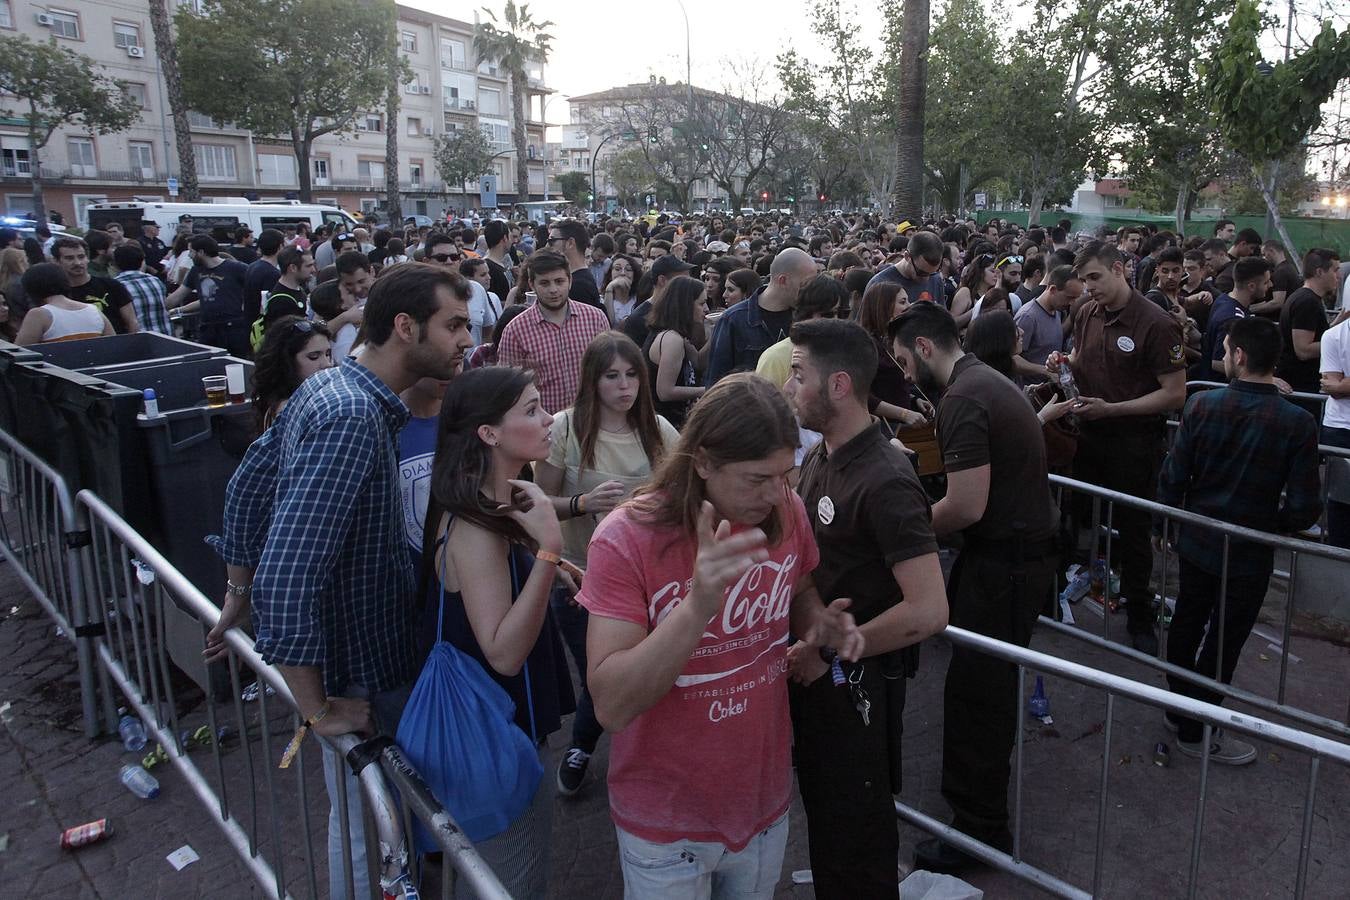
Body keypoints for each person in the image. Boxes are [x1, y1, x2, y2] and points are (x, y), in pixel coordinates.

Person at [212, 263, 474, 900]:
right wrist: (316, 705)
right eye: (456, 325)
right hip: (356, 665)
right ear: (405, 327)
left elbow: (248, 488)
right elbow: (289, 570)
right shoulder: (353, 415)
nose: (468, 339)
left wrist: (235, 595)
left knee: (366, 819)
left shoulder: (334, 388)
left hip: (360, 658)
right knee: (366, 828)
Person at [578, 374, 862, 899]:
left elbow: (797, 589)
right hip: (665, 821)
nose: (775, 493)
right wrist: (700, 605)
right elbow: (612, 706)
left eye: (785, 475)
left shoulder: (786, 510)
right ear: (703, 461)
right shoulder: (626, 538)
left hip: (761, 802)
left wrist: (818, 624)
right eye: (757, 479)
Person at [890, 302, 1059, 872]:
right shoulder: (985, 381)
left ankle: (978, 832)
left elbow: (964, 505)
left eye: (903, 361)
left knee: (978, 697)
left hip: (1004, 565)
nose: (904, 374)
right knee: (981, 689)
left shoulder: (964, 396)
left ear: (925, 348)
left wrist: (899, 538)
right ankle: (979, 818)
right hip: (1011, 558)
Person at [784, 318, 948, 896]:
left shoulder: (885, 477)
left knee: (858, 840)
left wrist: (827, 648)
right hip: (822, 678)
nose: (788, 387)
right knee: (831, 830)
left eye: (798, 375)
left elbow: (928, 611)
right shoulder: (824, 456)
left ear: (839, 386)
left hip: (858, 688)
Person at [420, 366, 577, 897]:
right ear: (489, 434)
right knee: (513, 878)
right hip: (498, 725)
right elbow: (505, 653)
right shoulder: (475, 527)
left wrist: (551, 563)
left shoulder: (498, 501)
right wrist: (551, 551)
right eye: (531, 410)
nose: (549, 417)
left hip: (503, 721)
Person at [1159, 317, 1320, 763]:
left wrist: (1168, 525)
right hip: (1248, 550)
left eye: (1226, 349)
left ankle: (1181, 707)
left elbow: (1174, 475)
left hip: (1198, 541)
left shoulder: (1203, 406)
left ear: (1240, 357)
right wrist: (1273, 523)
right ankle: (1194, 726)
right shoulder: (1296, 422)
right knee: (1223, 639)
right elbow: (1307, 507)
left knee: (1189, 620)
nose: (1224, 356)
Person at [535, 332, 680, 796]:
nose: (624, 386)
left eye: (633, 374)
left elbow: (683, 499)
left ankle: (637, 754)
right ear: (591, 381)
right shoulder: (565, 428)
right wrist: (581, 503)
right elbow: (541, 503)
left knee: (648, 670)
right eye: (612, 376)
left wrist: (643, 506)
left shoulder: (660, 429)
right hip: (579, 575)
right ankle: (582, 745)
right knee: (600, 675)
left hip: (650, 578)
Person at [1049, 240, 1186, 654]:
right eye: (1083, 279)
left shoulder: (1157, 324)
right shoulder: (1086, 312)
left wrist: (1114, 409)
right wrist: (1065, 364)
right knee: (1071, 515)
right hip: (1085, 436)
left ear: (1120, 270)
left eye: (1095, 277)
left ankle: (1139, 614)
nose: (1088, 287)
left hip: (1134, 445)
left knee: (1134, 531)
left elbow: (1175, 393)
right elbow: (1080, 356)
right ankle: (1061, 594)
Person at [498, 251, 610, 414]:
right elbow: (509, 388)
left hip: (592, 418)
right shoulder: (515, 330)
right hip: (544, 426)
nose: (553, 289)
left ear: (570, 281)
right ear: (532, 284)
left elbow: (609, 368)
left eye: (559, 281)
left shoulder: (595, 318)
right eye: (544, 283)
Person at [706, 247, 816, 384]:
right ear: (783, 280)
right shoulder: (733, 320)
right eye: (805, 284)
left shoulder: (806, 317)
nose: (811, 291)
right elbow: (716, 383)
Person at [166, 235, 251, 356]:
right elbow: (178, 296)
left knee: (237, 362)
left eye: (191, 251)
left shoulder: (236, 268)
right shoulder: (195, 271)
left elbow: (255, 290)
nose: (189, 255)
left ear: (201, 252)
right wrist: (161, 307)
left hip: (234, 328)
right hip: (207, 328)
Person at [644, 275, 707, 429]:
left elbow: (698, 362)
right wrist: (707, 390)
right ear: (685, 305)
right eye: (701, 303)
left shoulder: (676, 335)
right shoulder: (672, 339)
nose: (706, 309)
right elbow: (665, 391)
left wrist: (718, 330)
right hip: (665, 424)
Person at [250, 316, 334, 432]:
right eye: (314, 356)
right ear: (287, 362)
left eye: (328, 354)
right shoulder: (287, 409)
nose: (327, 364)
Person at [1276, 249, 1338, 396]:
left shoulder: (1307, 298)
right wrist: (1339, 343)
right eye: (1335, 270)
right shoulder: (1307, 302)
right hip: (1299, 386)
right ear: (1319, 272)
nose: (1338, 277)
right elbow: (1303, 350)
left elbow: (1318, 335)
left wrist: (1340, 321)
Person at [1199, 257, 1271, 379]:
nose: (1270, 285)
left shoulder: (1224, 299)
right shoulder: (1232, 319)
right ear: (1251, 286)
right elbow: (1217, 362)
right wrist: (1262, 376)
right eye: (1266, 282)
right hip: (1223, 388)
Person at [50, 237, 139, 334]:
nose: (77, 263)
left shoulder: (112, 286)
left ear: (87, 259)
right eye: (69, 258)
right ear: (56, 261)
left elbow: (132, 322)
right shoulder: (54, 295)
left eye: (81, 257)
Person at [14, 262, 114, 345]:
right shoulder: (93, 310)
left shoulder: (38, 315)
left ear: (31, 288)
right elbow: (114, 343)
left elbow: (19, 354)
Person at [1013, 264, 1080, 381]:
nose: (1072, 303)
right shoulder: (1027, 316)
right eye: (1069, 297)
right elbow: (1012, 358)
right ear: (1053, 289)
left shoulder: (1057, 311)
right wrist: (1046, 371)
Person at [619, 254, 694, 349]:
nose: (688, 285)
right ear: (662, 280)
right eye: (682, 280)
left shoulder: (683, 308)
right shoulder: (638, 319)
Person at [864, 230, 948, 306]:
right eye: (921, 273)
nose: (926, 279)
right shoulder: (880, 284)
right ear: (907, 256)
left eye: (933, 273)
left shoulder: (936, 279)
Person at [113, 243, 172, 335]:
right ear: (141, 262)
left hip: (140, 340)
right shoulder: (155, 281)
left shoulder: (115, 286)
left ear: (115, 264)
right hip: (165, 335)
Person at [548, 219, 602, 309]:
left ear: (570, 243)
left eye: (552, 241)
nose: (548, 246)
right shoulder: (580, 279)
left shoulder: (578, 286)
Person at [460, 257, 503, 345]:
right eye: (483, 275)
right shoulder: (461, 300)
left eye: (488, 273)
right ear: (468, 279)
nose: (489, 277)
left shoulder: (494, 297)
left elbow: (493, 331)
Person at [601, 253, 640, 324]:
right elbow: (608, 323)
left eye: (628, 270)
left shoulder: (639, 299)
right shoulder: (600, 300)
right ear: (610, 274)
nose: (623, 273)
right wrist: (609, 289)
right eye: (617, 269)